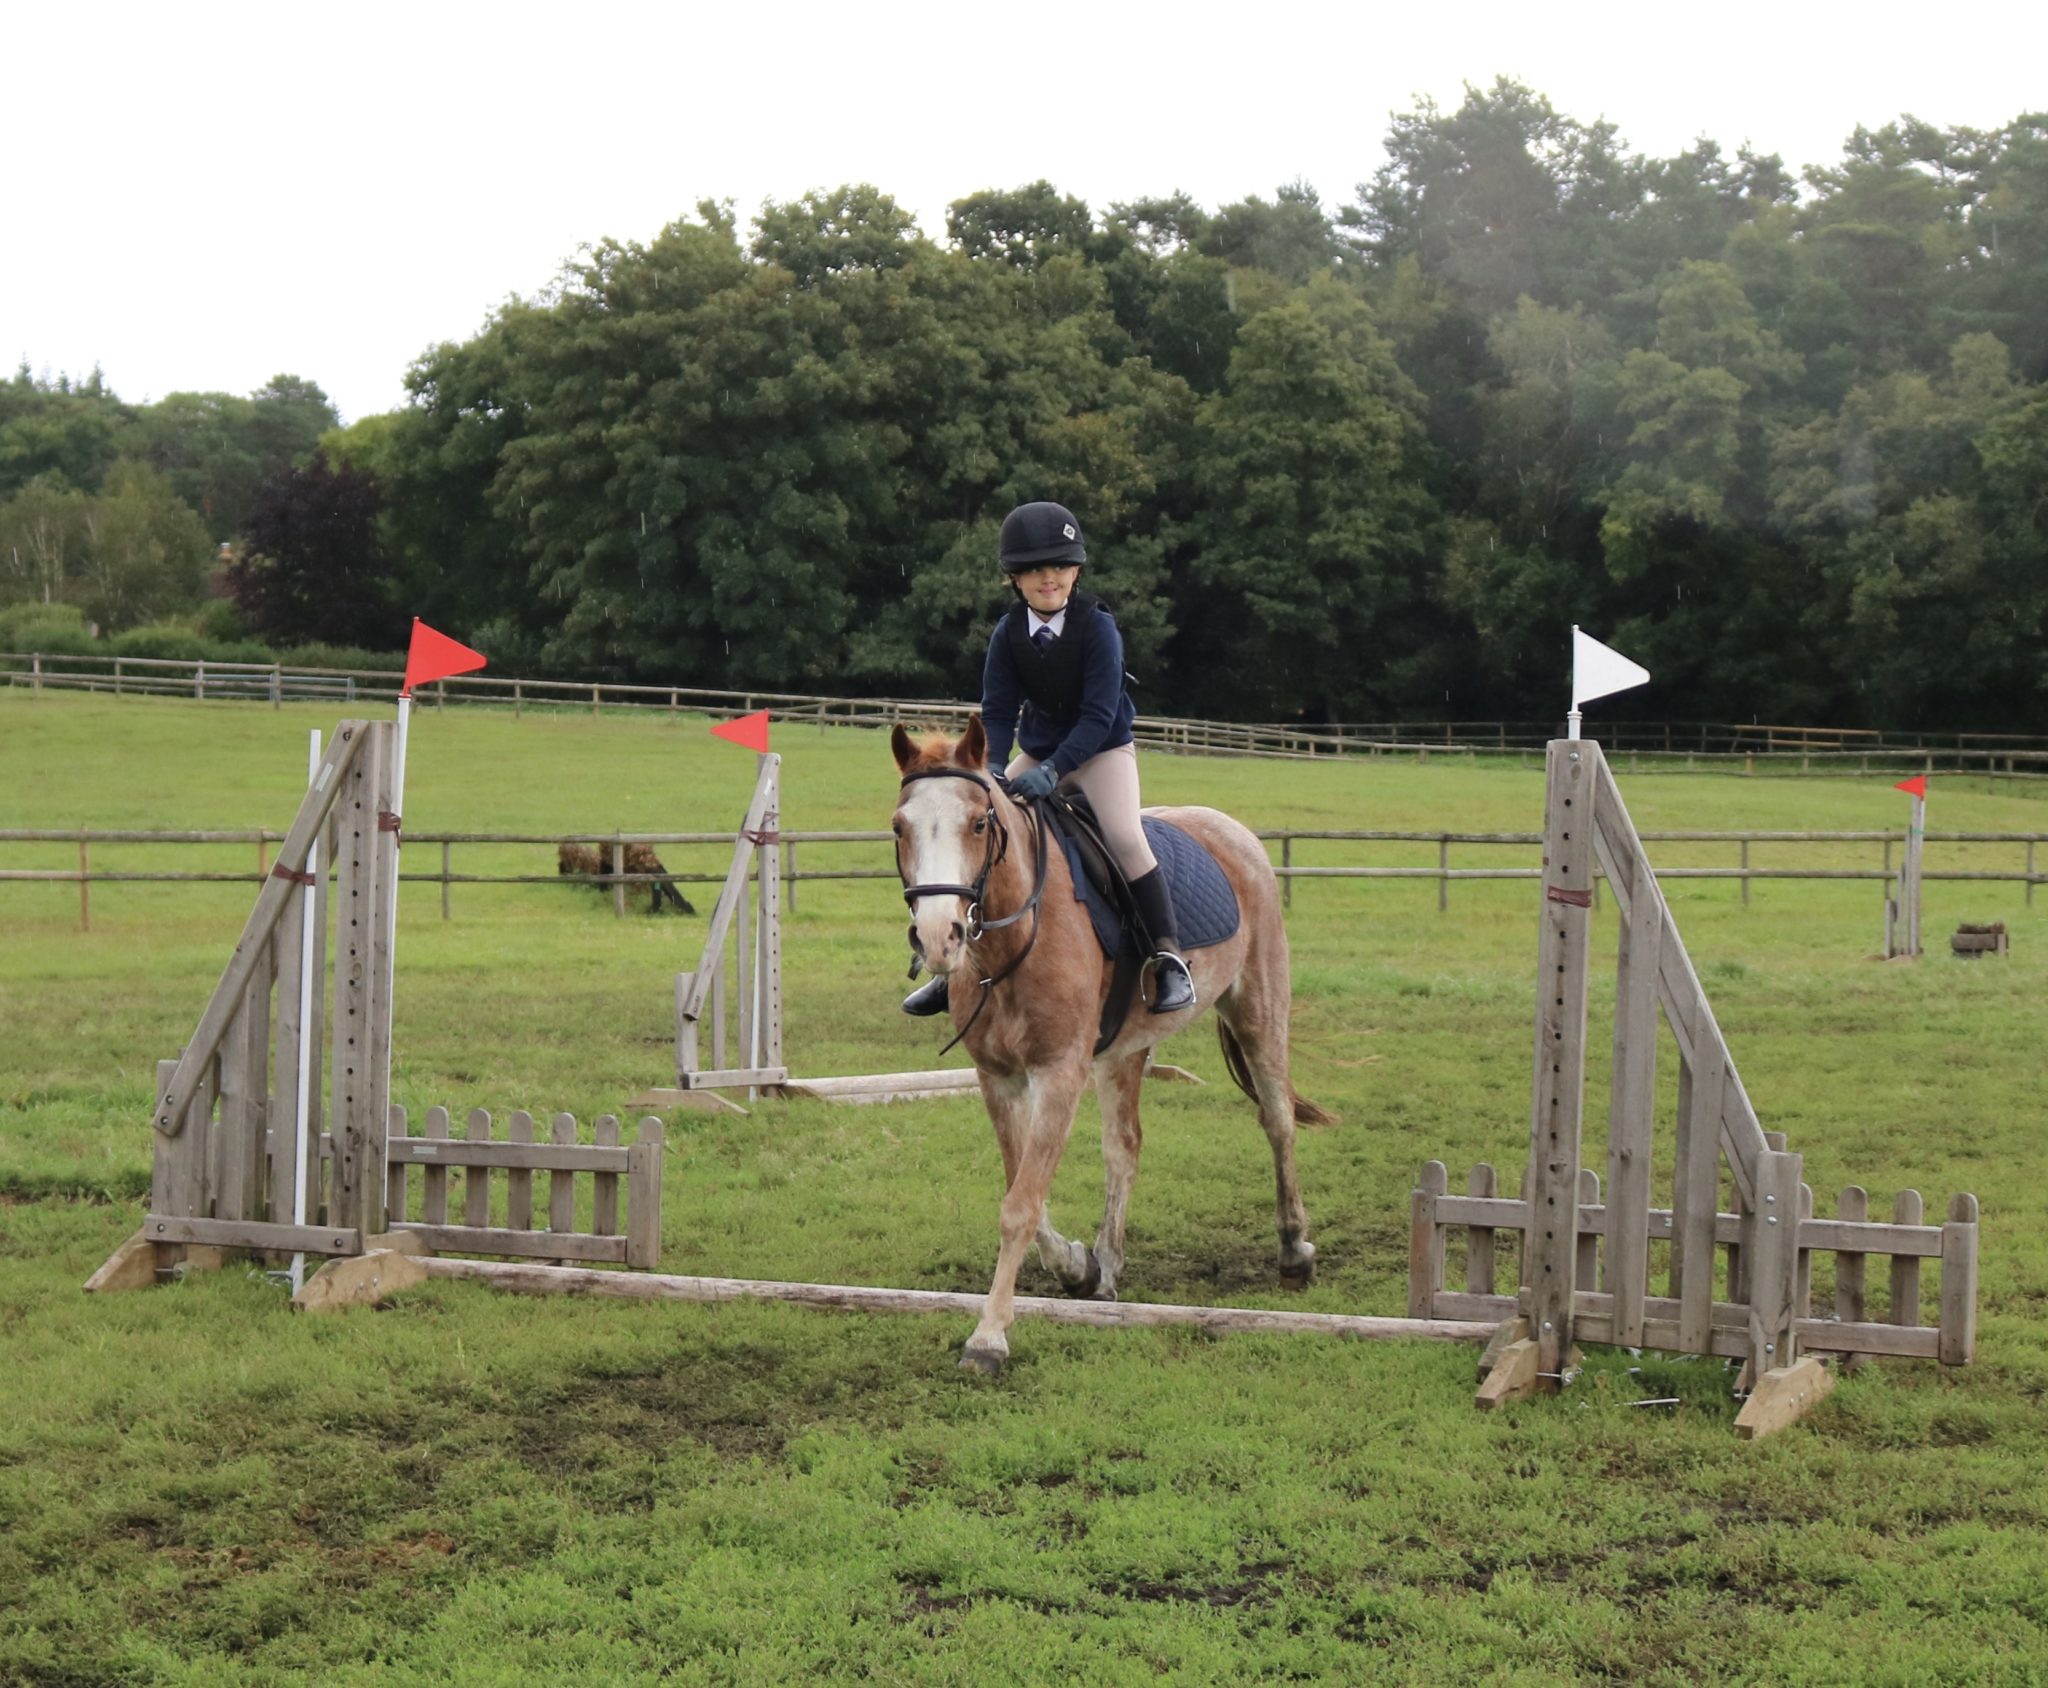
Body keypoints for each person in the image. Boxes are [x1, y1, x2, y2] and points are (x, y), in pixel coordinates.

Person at [904, 500, 1196, 1016]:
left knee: (1126, 837)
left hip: (1102, 752)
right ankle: (951, 962)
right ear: (1015, 579)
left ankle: (1168, 957)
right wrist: (993, 768)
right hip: (1037, 752)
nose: (1049, 578)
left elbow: (1099, 715)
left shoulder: (1097, 628)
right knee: (985, 827)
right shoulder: (1008, 633)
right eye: (1035, 570)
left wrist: (1055, 770)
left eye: (1060, 567)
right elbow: (997, 711)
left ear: (1076, 571)